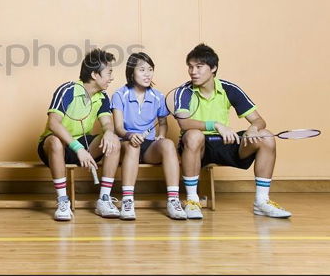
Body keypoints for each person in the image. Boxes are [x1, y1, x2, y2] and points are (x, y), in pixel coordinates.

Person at [172, 43, 291, 219]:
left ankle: (262, 201)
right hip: (197, 148)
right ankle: (192, 200)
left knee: (265, 136)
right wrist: (216, 125)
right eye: (190, 67)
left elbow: (259, 120)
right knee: (194, 135)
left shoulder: (229, 89)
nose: (193, 71)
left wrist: (253, 128)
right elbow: (183, 123)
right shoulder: (184, 91)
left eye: (198, 67)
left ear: (213, 68)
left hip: (225, 144)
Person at [38, 48, 121, 221]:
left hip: (83, 145)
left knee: (113, 140)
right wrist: (78, 148)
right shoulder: (67, 90)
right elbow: (53, 123)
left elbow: (107, 122)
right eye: (109, 72)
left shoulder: (103, 96)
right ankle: (62, 201)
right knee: (54, 142)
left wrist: (108, 132)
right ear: (94, 75)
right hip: (56, 146)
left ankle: (104, 199)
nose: (112, 77)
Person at [111, 52, 187, 220]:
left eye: (150, 69)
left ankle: (173, 200)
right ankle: (128, 200)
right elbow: (117, 127)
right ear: (132, 72)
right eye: (142, 69)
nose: (147, 74)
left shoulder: (158, 96)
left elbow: (163, 123)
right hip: (127, 144)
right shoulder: (119, 94)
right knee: (133, 146)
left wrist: (161, 135)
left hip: (150, 146)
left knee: (167, 144)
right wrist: (130, 135)